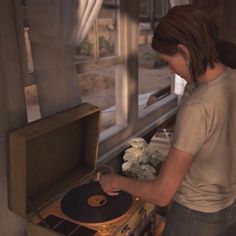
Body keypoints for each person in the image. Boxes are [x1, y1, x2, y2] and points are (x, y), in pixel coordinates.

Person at [99, 5, 236, 236]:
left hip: (195, 217)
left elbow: (162, 194)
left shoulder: (197, 107)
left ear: (185, 51)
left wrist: (115, 182)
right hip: (228, 207)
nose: (171, 71)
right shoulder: (232, 76)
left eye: (168, 61)